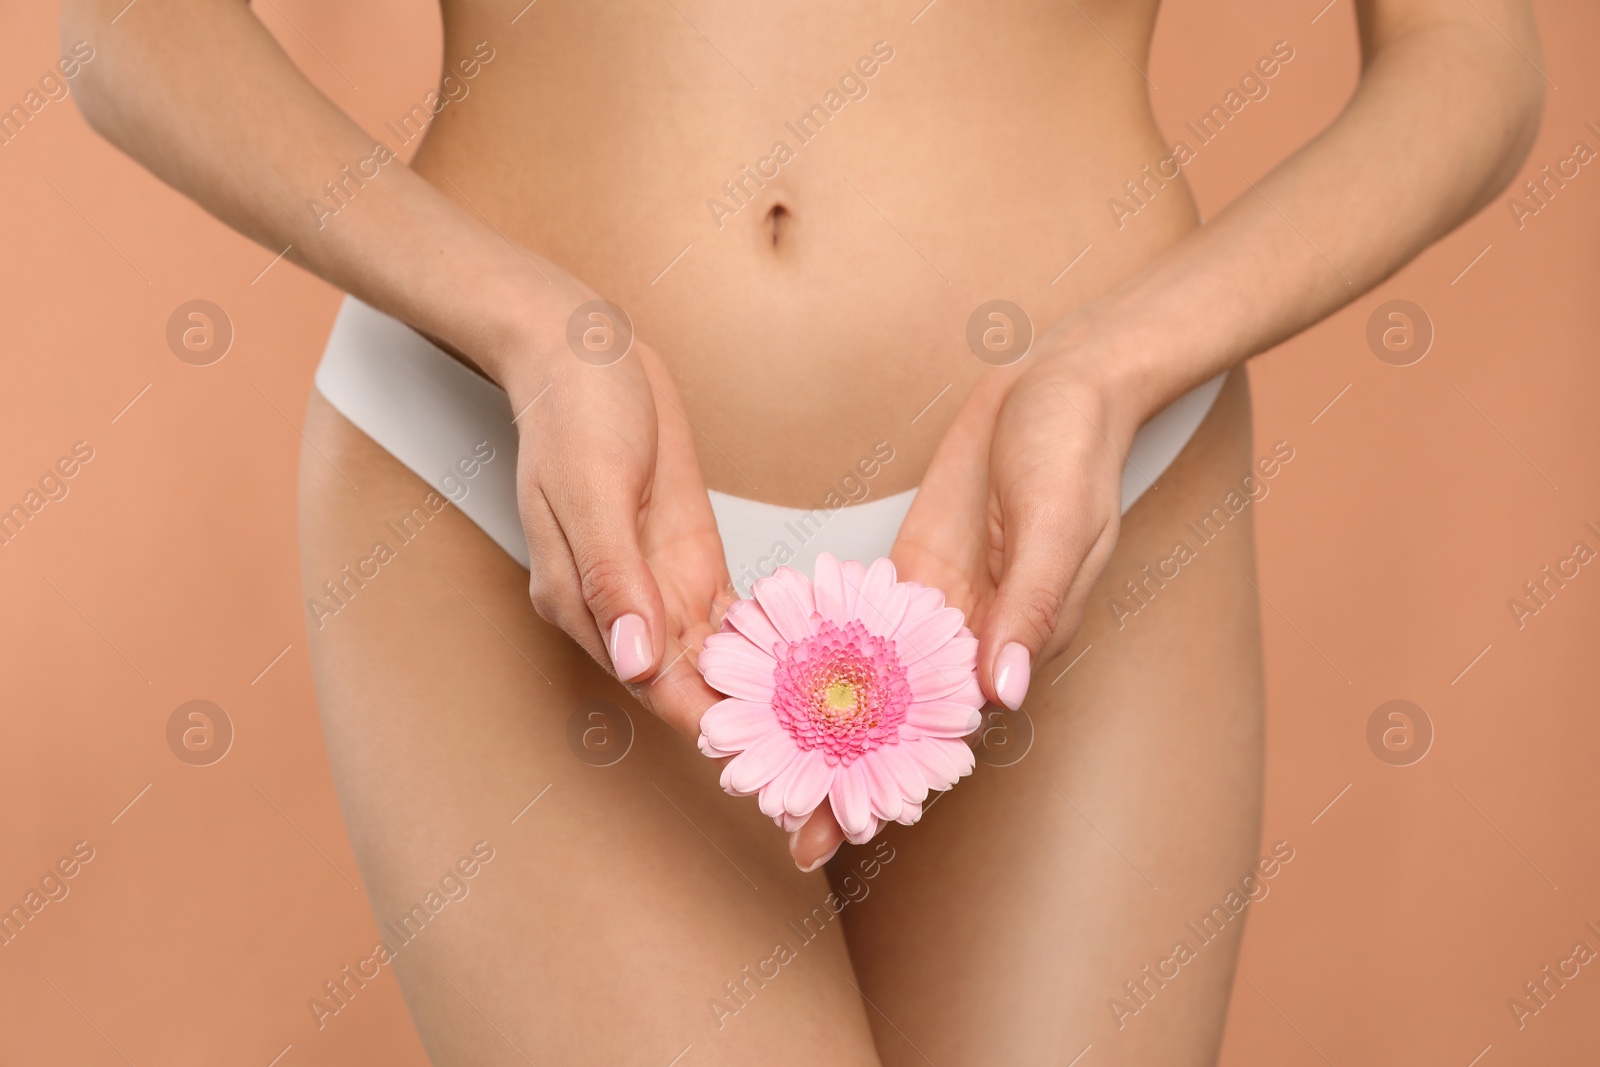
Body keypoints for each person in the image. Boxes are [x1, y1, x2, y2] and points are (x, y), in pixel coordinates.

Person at [66, 0, 1543, 1062]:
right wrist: (520, 323)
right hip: (506, 471)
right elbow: (124, 26)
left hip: (1088, 494)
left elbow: (1470, 56)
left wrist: (1118, 367)